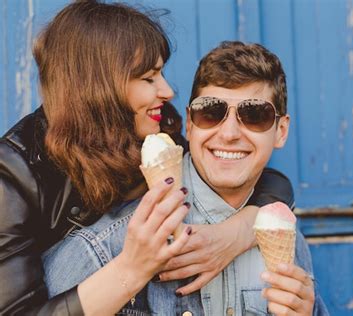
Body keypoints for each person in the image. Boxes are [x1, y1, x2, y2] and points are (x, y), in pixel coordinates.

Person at [0, 2, 295, 315]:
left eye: (161, 73)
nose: (167, 90)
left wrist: (233, 234)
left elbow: (252, 176)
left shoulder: (155, 133)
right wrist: (132, 269)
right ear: (101, 87)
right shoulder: (14, 173)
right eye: (149, 77)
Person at [43, 41, 329, 315]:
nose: (229, 134)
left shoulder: (289, 242)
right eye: (211, 112)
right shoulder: (112, 243)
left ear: (281, 131)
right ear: (190, 124)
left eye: (254, 115)